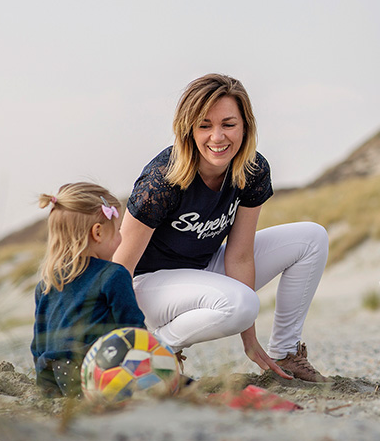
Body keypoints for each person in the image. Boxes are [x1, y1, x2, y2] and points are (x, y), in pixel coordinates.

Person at [112, 73, 330, 383]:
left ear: (245, 126)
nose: (217, 137)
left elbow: (240, 255)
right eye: (205, 125)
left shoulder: (252, 170)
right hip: (149, 288)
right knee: (243, 304)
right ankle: (156, 348)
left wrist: (250, 342)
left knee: (312, 238)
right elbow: (121, 267)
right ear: (188, 129)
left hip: (203, 271)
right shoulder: (162, 181)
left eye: (228, 124)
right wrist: (120, 334)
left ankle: (284, 353)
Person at [30, 182, 146, 398]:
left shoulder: (45, 285)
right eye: (117, 230)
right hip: (95, 371)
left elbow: (38, 345)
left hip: (53, 378)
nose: (121, 237)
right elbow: (134, 329)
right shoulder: (113, 274)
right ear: (98, 232)